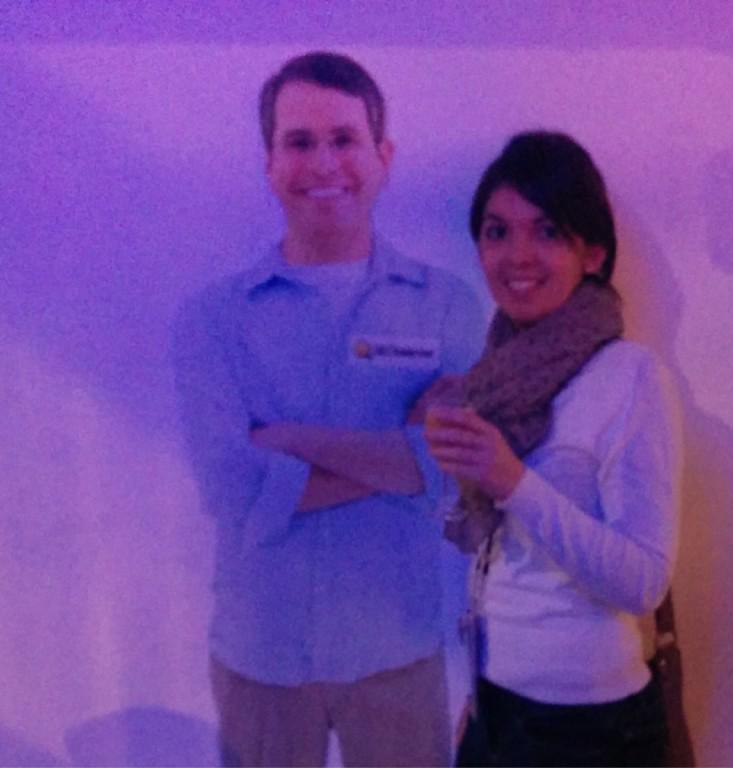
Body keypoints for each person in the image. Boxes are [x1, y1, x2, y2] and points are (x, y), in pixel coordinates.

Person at [172, 51, 482, 767]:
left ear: (383, 156)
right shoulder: (214, 319)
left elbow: (457, 472)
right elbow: (230, 488)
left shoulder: (447, 307)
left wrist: (288, 441)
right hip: (261, 658)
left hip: (398, 652)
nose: (323, 162)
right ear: (270, 162)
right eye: (300, 142)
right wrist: (404, 456)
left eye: (344, 139)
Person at [422, 131, 684, 766]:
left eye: (547, 232)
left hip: (589, 733)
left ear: (592, 253)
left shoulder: (630, 377)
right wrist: (478, 701)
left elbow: (643, 583)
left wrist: (512, 480)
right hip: (495, 705)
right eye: (497, 231)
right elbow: (499, 561)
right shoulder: (490, 377)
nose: (518, 255)